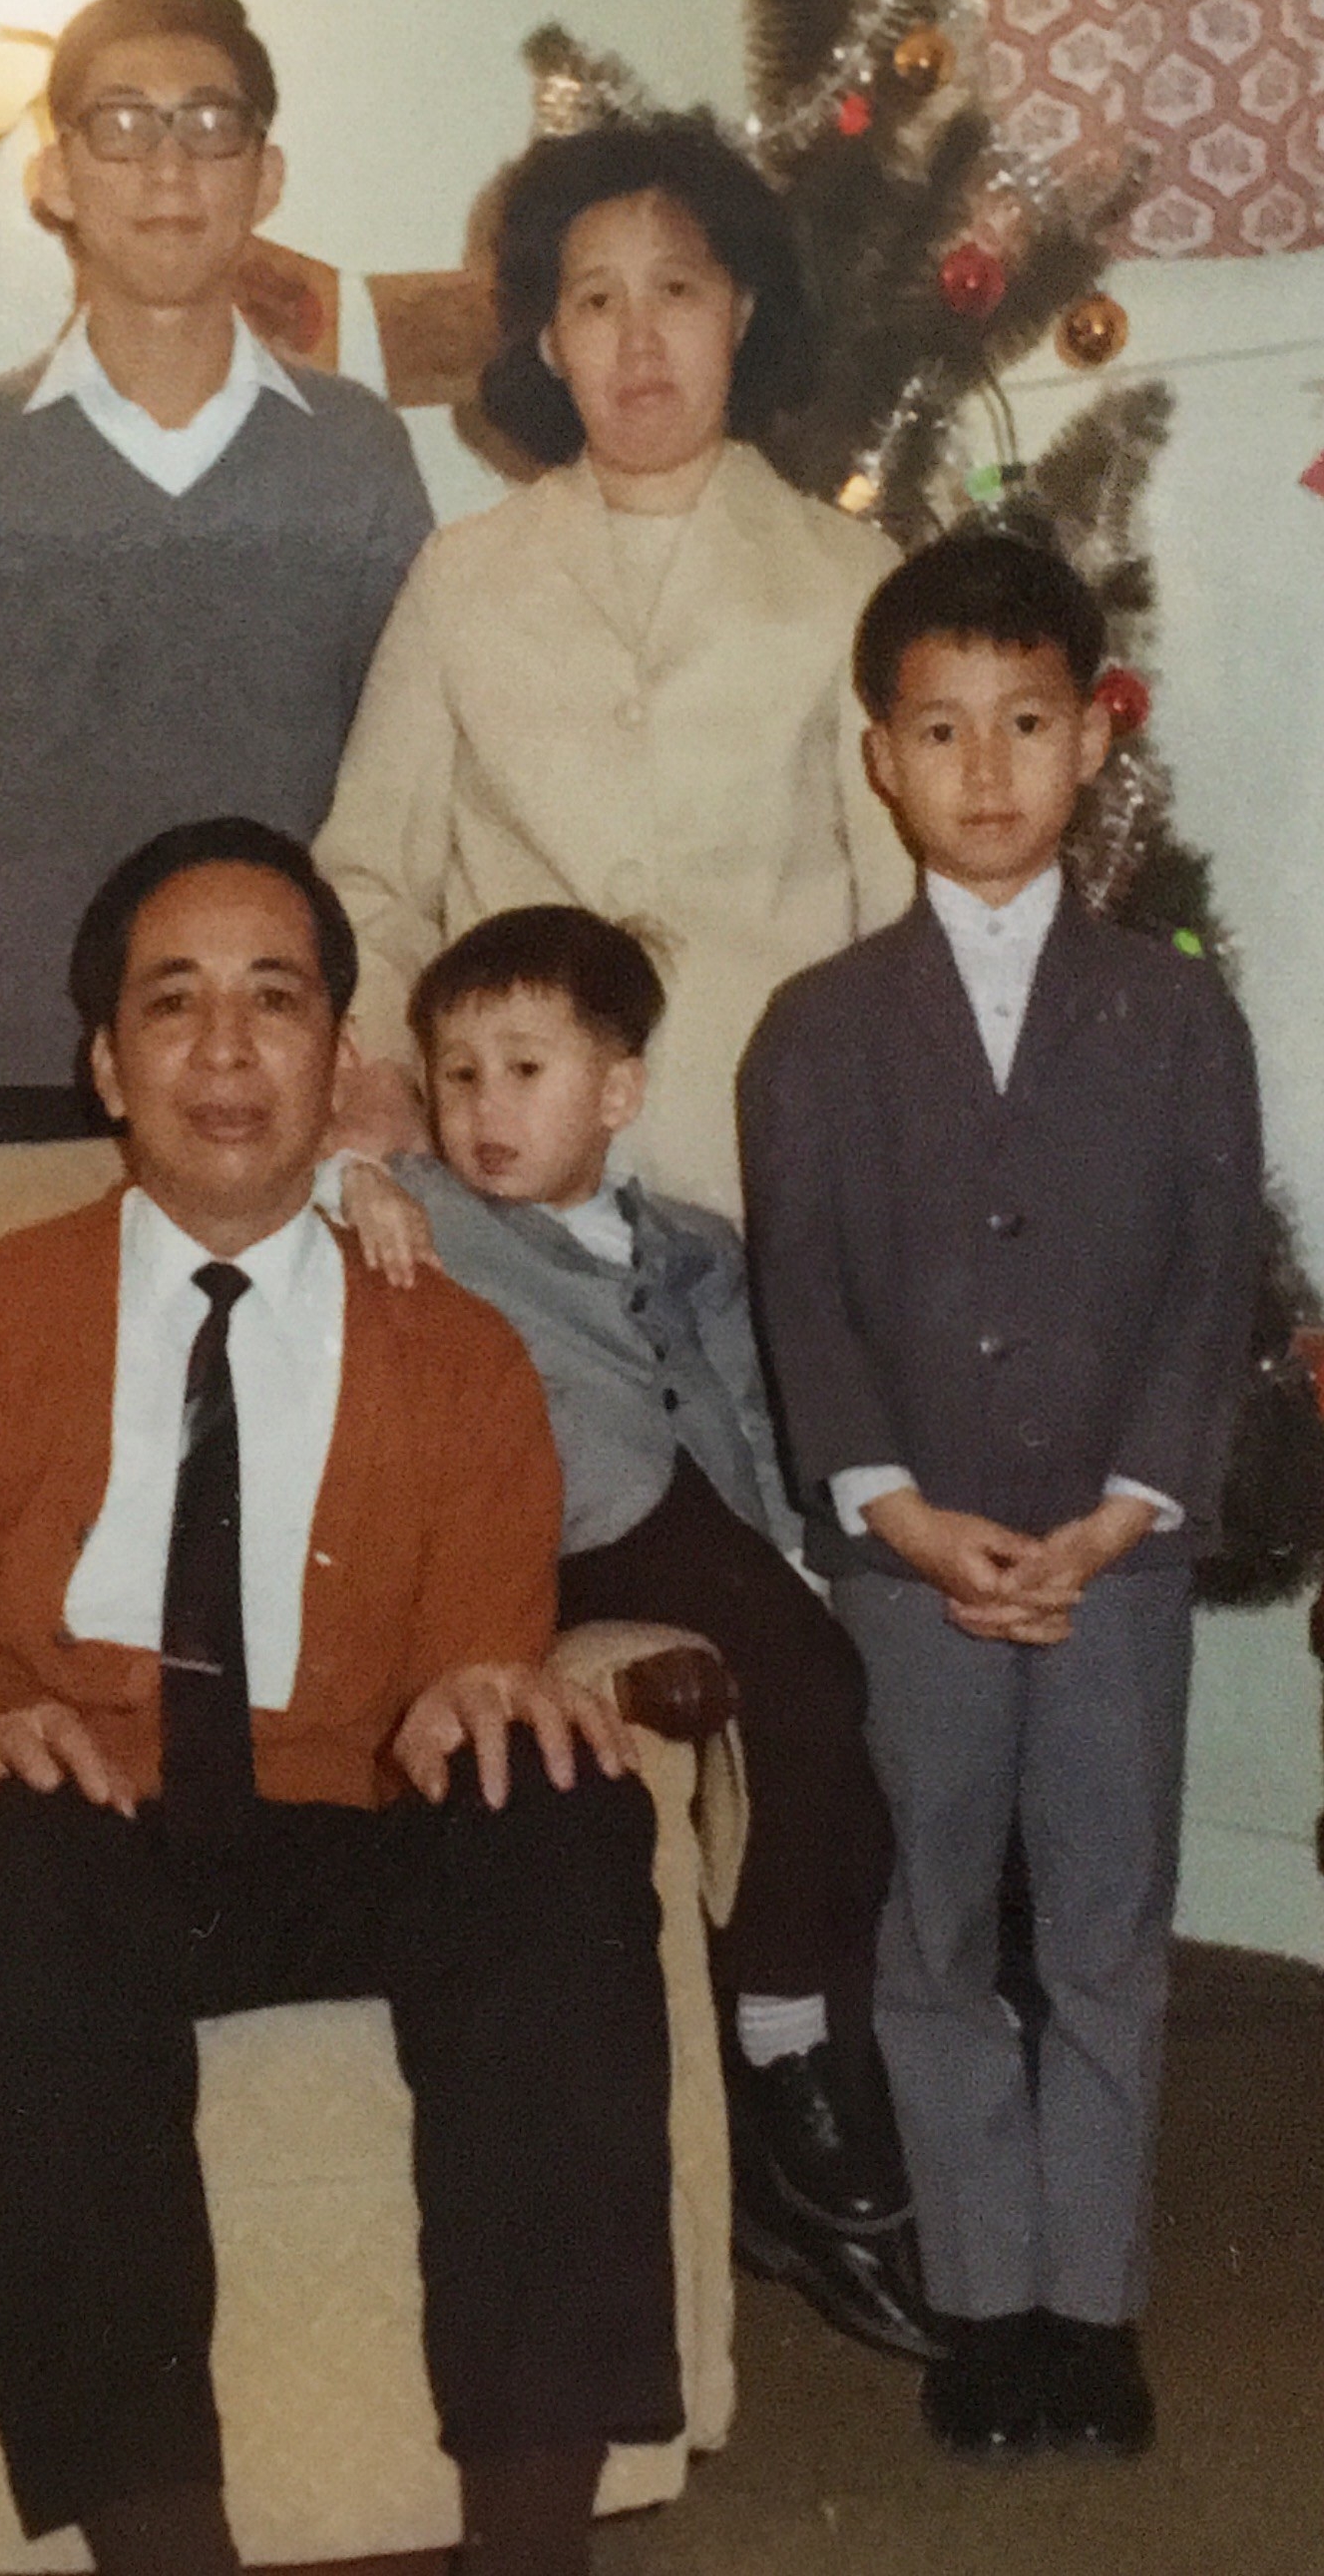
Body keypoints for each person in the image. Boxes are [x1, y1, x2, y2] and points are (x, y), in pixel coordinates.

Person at [0, 818, 679, 2576]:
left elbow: (473, 1657)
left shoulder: (457, 1350)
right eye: (172, 1004)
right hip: (74, 1863)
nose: (222, 1049)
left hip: (339, 1848)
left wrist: (482, 1707)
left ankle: (533, 2537)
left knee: (561, 1801)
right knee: (32, 1855)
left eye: (274, 1001)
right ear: (106, 1064)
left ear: (339, 1060)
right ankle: (160, 2546)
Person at [736, 532, 1263, 2462]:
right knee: (936, 1931)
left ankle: (1091, 2310)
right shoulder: (819, 1029)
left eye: (1027, 725)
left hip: (1116, 1555)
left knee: (1113, 1927)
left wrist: (1133, 1507)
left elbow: (1218, 1276)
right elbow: (806, 1283)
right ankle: (983, 2301)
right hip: (912, 1562)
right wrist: (888, 1510)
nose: (985, 770)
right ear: (879, 753)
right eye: (941, 729)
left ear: (1088, 740)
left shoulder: (1174, 1011)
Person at [328, 903, 934, 2362]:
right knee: (804, 1682)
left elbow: (748, 1410)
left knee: (858, 1699)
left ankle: (815, 2047)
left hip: (703, 1526)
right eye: (457, 1072)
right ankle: (785, 2046)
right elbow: (277, 1198)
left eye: (524, 1071)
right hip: (566, 1526)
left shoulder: (697, 1246)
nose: (483, 1108)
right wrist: (357, 1177)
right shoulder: (426, 1210)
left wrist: (798, 1551)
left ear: (617, 1091)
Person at [0, 0, 432, 1148]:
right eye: (121, 126)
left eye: (209, 127)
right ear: (55, 175)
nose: (167, 169)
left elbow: (417, 799)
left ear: (266, 176)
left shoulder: (354, 458)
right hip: (11, 1073)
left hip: (282, 1091)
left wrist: (387, 1058)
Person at [315, 111, 913, 1222]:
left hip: (775, 1179)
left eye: (675, 291)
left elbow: (899, 920)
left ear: (738, 311)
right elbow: (370, 882)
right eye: (594, 300)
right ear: (547, 342)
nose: (637, 342)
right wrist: (392, 1078)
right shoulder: (462, 580)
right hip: (519, 1203)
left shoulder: (850, 582)